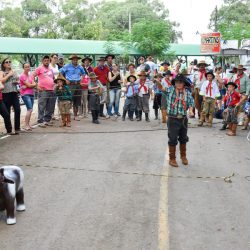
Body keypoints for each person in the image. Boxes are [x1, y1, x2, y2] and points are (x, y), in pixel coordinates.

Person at [166, 74, 194, 167]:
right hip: (172, 118)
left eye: (180, 82)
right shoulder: (170, 90)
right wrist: (157, 82)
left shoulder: (188, 93)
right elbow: (162, 88)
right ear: (175, 83)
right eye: (177, 82)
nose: (178, 84)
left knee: (183, 138)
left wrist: (190, 111)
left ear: (184, 84)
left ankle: (183, 156)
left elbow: (191, 103)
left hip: (183, 119)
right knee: (173, 138)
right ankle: (172, 159)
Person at [59, 54, 86, 121]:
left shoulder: (80, 67)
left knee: (77, 101)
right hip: (70, 85)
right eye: (74, 59)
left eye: (76, 59)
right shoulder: (67, 66)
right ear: (71, 60)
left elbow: (83, 74)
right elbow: (60, 73)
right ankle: (66, 115)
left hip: (78, 84)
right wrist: (65, 80)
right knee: (68, 100)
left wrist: (81, 80)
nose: (75, 60)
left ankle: (75, 115)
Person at [33, 55, 55, 127]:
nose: (46, 62)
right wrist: (36, 86)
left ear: (49, 61)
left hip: (51, 90)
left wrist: (55, 85)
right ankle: (40, 121)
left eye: (48, 60)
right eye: (45, 61)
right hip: (43, 91)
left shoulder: (51, 69)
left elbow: (53, 79)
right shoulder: (39, 68)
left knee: (50, 107)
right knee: (42, 106)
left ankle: (47, 120)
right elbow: (32, 76)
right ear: (42, 61)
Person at [0, 58, 21, 134]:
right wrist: (9, 74)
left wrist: (17, 82)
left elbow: (18, 80)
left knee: (18, 109)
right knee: (7, 113)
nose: (9, 63)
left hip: (14, 93)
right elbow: (1, 81)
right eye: (7, 62)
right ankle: (9, 130)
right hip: (6, 94)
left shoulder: (14, 71)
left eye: (10, 62)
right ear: (4, 64)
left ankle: (17, 128)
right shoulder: (1, 72)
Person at [19, 63, 36, 131]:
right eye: (26, 67)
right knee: (30, 109)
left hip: (31, 94)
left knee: (30, 110)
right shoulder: (22, 76)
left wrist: (31, 85)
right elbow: (30, 85)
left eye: (28, 67)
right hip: (25, 94)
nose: (27, 68)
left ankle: (28, 124)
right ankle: (26, 125)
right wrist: (31, 85)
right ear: (23, 68)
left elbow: (34, 84)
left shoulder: (30, 76)